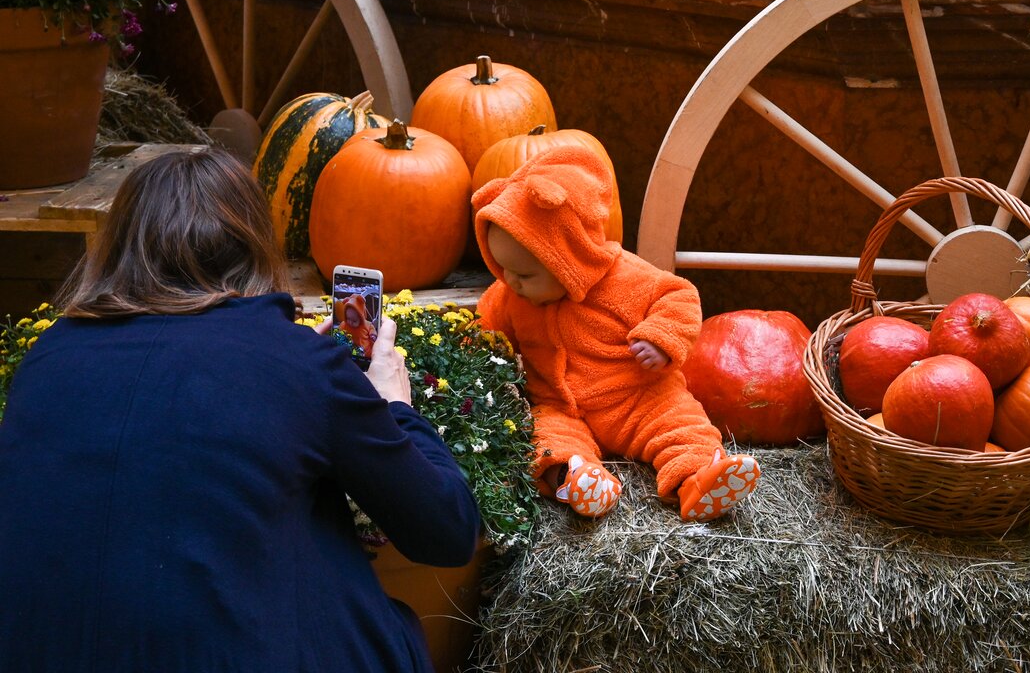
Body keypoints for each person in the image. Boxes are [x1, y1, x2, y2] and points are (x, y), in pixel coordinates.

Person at [0, 146, 480, 672]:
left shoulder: (48, 356)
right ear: (253, 244)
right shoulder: (298, 363)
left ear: (119, 248)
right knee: (381, 614)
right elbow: (447, 533)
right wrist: (392, 404)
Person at [472, 145, 761, 522]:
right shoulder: (509, 296)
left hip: (636, 395)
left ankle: (698, 477)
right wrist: (474, 357)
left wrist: (660, 338)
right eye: (501, 268)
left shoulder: (626, 278)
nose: (510, 281)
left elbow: (678, 296)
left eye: (524, 274)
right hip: (561, 406)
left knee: (679, 424)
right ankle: (576, 478)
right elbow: (483, 331)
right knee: (546, 440)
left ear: (569, 259)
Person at [337, 292, 378, 359]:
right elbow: (339, 333)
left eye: (354, 321)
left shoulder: (367, 325)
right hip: (349, 353)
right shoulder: (344, 324)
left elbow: (372, 329)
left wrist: (373, 335)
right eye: (348, 318)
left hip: (365, 353)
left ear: (361, 318)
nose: (350, 322)